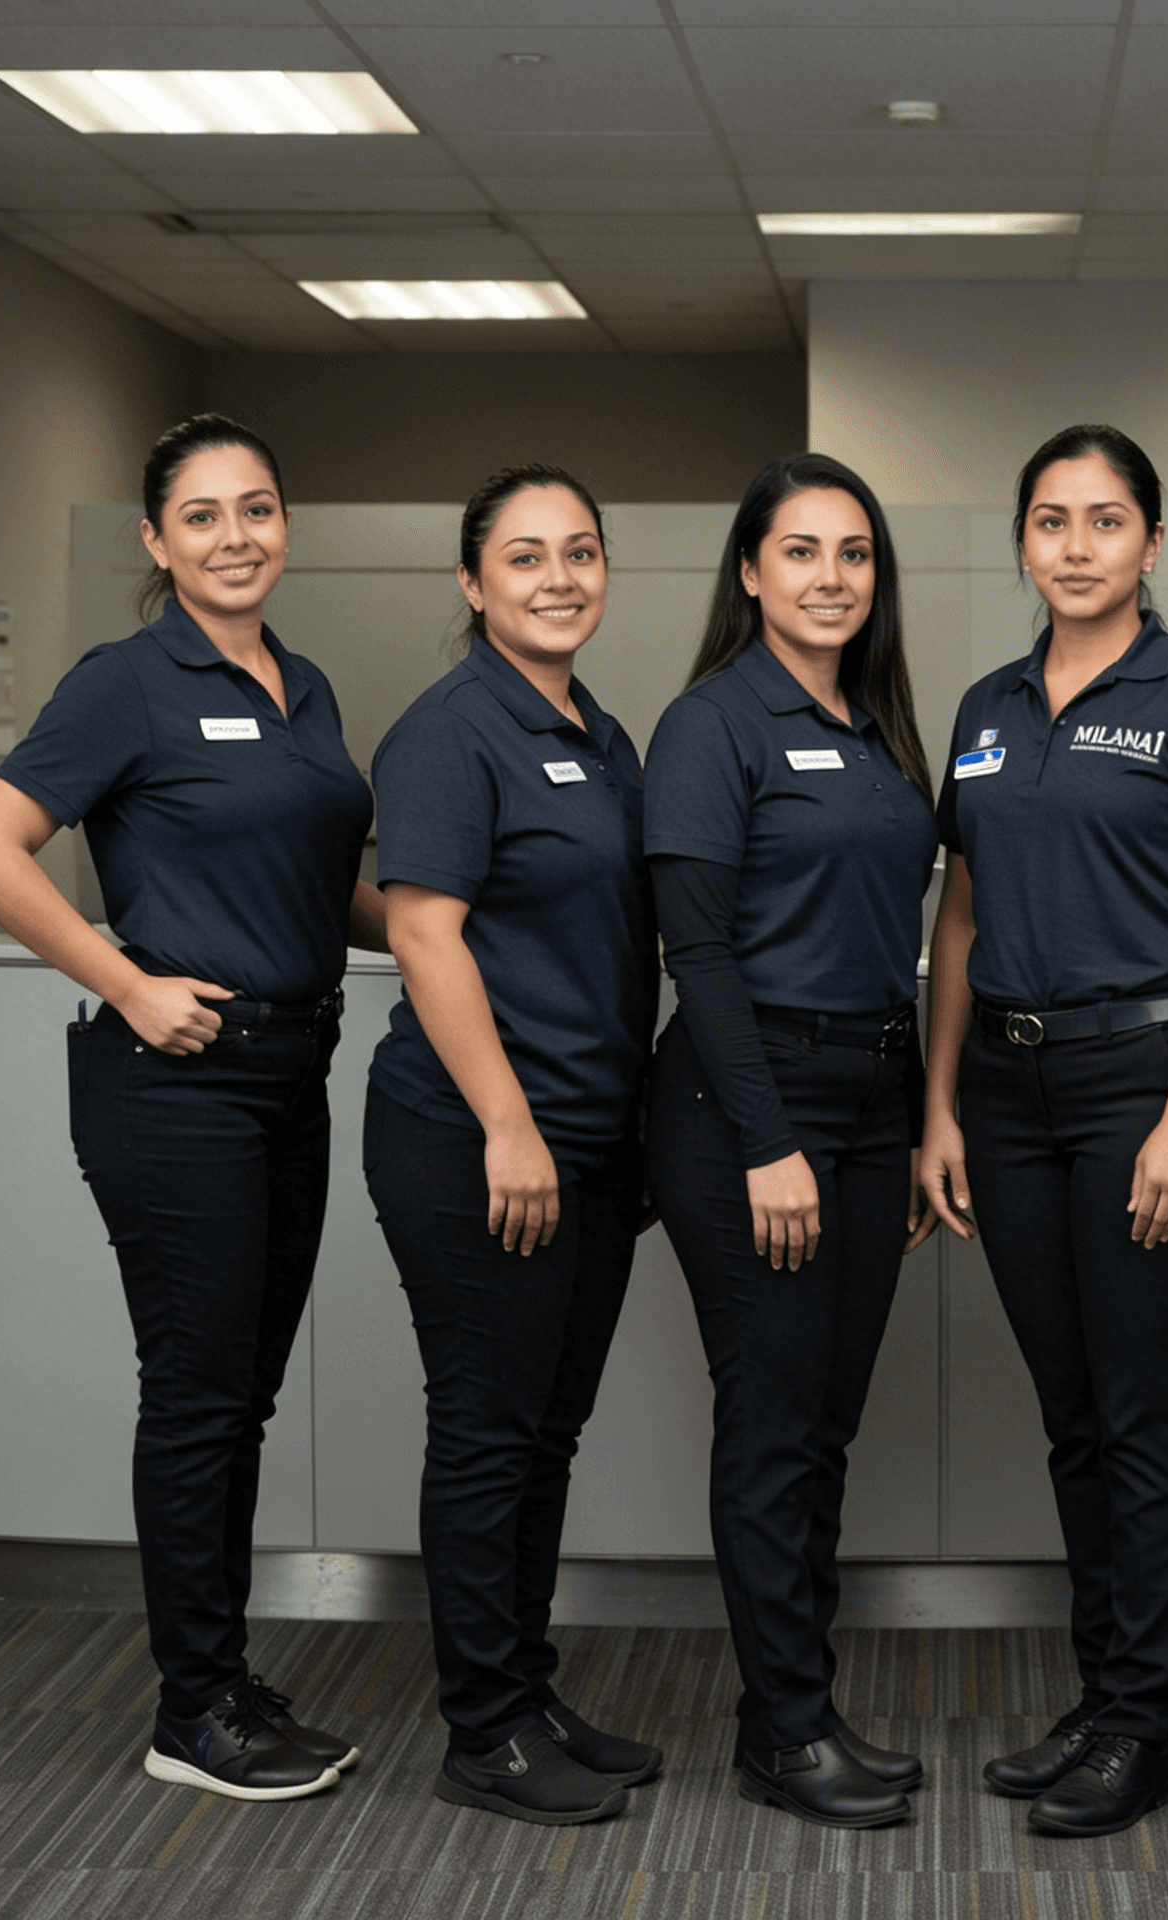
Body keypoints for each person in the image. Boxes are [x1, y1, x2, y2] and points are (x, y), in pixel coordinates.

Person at [0, 414, 381, 1800]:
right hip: (179, 1081)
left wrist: (463, 915)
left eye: (256, 509)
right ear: (157, 542)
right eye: (201, 517)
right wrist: (127, 981)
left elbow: (324, 885)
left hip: (289, 1073)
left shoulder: (303, 685)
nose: (234, 536)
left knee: (239, 1399)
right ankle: (190, 1711)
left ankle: (221, 1672)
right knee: (200, 1398)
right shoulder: (126, 682)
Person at [918, 424, 1168, 1839]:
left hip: (1145, 1088)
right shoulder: (986, 706)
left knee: (1139, 1414)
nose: (1077, 545)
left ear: (1154, 544)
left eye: (1108, 520)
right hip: (1008, 1096)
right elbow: (959, 915)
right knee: (1072, 1417)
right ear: (1024, 541)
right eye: (1054, 521)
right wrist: (938, 1103)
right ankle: (1099, 1691)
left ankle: (1142, 1723)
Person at [363, 465, 660, 1826]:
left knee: (546, 1433)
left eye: (581, 552)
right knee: (487, 1434)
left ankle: (527, 1692)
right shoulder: (450, 730)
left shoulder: (602, 730)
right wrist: (508, 1124)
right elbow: (423, 931)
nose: (559, 577)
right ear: (474, 584)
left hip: (586, 1141)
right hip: (474, 1137)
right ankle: (482, 1731)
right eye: (527, 557)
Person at [644, 452, 937, 1831]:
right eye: (803, 551)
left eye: (856, 554)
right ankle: (784, 1731)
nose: (832, 577)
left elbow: (906, 945)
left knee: (822, 1428)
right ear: (750, 571)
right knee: (771, 1429)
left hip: (872, 1108)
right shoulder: (716, 723)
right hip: (750, 1105)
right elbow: (694, 948)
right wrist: (770, 1142)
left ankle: (799, 1701)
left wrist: (918, 1110)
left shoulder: (878, 726)